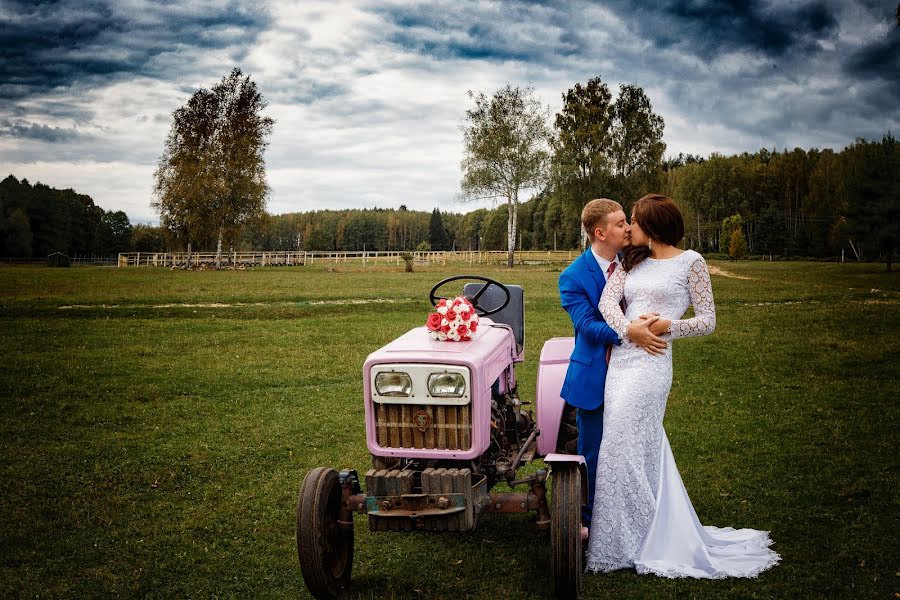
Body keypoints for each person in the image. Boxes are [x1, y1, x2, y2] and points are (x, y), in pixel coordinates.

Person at [585, 194, 780, 578]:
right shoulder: (630, 261)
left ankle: (640, 538)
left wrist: (666, 328)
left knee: (624, 446)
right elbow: (609, 304)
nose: (630, 229)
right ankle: (626, 537)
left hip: (653, 364)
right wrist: (631, 330)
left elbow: (707, 320)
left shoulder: (692, 262)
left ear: (653, 226)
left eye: (636, 221)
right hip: (624, 362)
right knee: (622, 448)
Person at [558, 198, 668, 539]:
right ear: (600, 232)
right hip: (595, 372)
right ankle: (588, 523)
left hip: (635, 373)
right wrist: (628, 332)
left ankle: (642, 516)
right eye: (621, 223)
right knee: (592, 451)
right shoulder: (572, 276)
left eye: (628, 221)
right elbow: (586, 325)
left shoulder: (636, 262)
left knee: (633, 446)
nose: (628, 228)